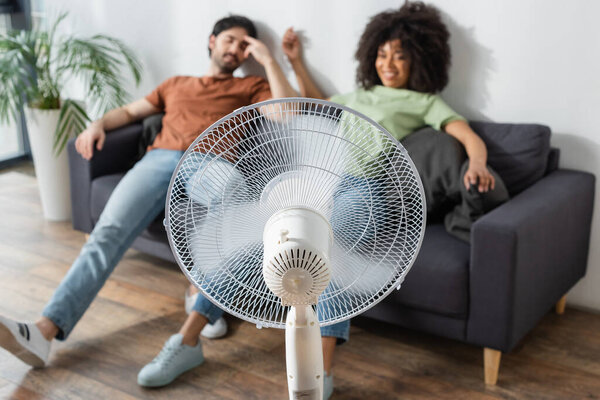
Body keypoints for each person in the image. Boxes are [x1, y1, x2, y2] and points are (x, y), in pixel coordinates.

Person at [282, 2, 509, 242]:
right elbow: (317, 103)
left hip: (374, 190)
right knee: (295, 232)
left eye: (399, 57)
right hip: (339, 182)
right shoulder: (360, 94)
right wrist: (296, 62)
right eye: (382, 55)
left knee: (320, 242)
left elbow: (468, 136)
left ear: (417, 61)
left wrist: (478, 165)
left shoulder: (424, 102)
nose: (388, 65)